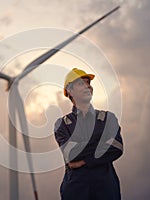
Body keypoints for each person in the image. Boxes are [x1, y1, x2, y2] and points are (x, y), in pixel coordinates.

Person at [54, 68, 123, 200]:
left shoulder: (108, 118)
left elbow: (116, 148)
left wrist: (85, 161)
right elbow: (71, 154)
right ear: (70, 91)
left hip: (106, 191)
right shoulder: (62, 124)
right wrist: (101, 142)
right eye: (81, 83)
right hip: (75, 192)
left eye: (88, 83)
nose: (87, 87)